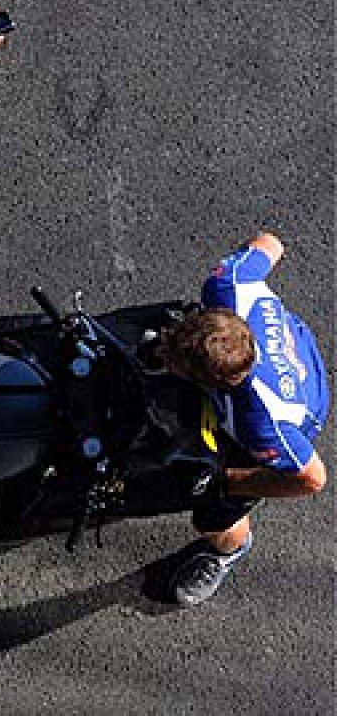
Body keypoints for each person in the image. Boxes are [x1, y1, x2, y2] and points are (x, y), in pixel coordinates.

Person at [156, 233, 328, 606]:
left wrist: (233, 482)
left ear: (216, 386)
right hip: (290, 345)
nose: (162, 353)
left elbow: (312, 479)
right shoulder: (228, 283)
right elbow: (272, 243)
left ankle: (227, 549)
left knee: (210, 510)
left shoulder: (263, 424)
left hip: (301, 405)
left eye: (175, 362)